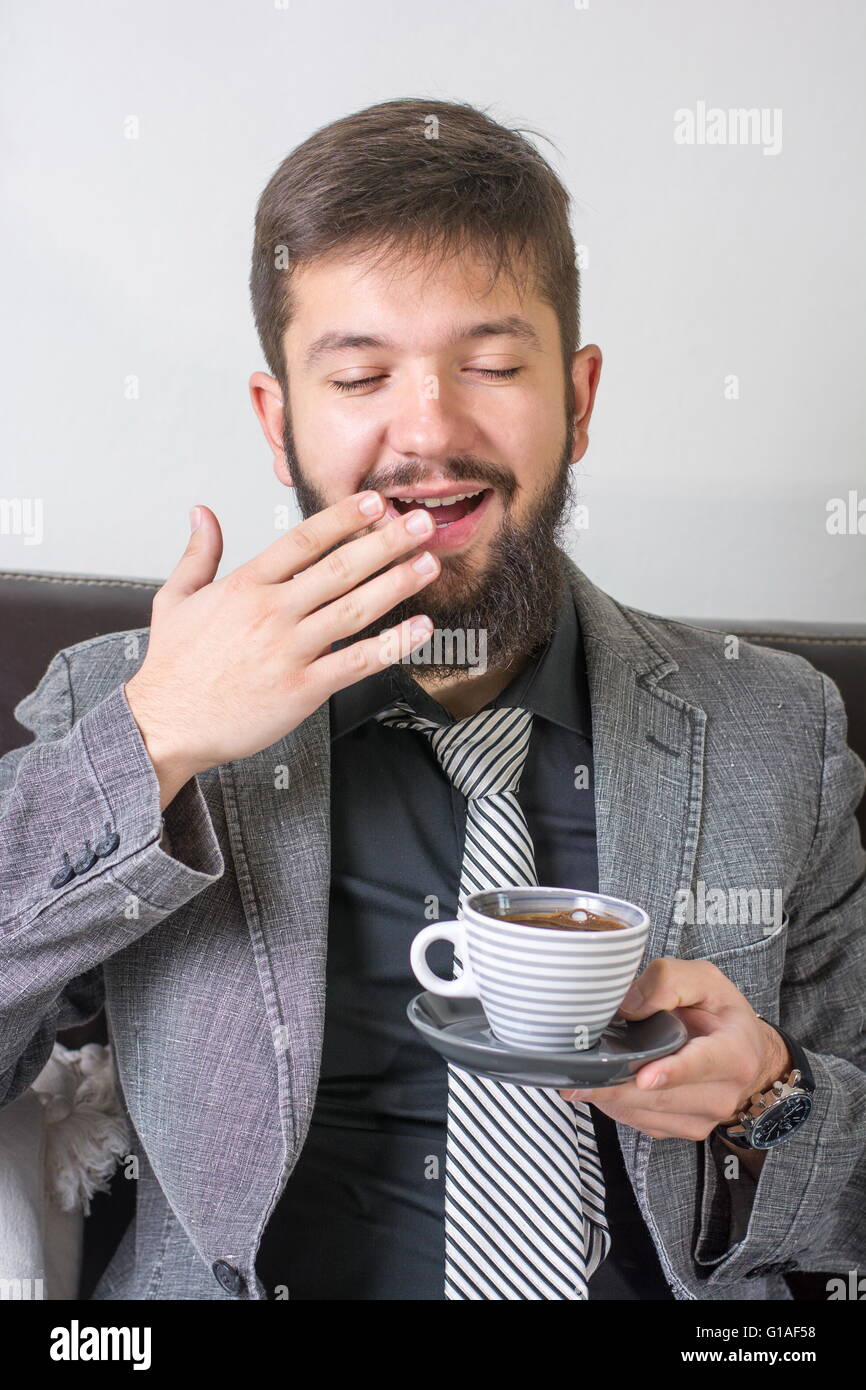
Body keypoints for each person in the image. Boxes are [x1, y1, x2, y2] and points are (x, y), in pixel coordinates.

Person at [1, 97, 864, 1302]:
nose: (430, 431)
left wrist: (767, 1098)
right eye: (358, 375)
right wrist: (152, 743)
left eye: (492, 366)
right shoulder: (124, 703)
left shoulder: (778, 729)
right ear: (279, 420)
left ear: (577, 397)